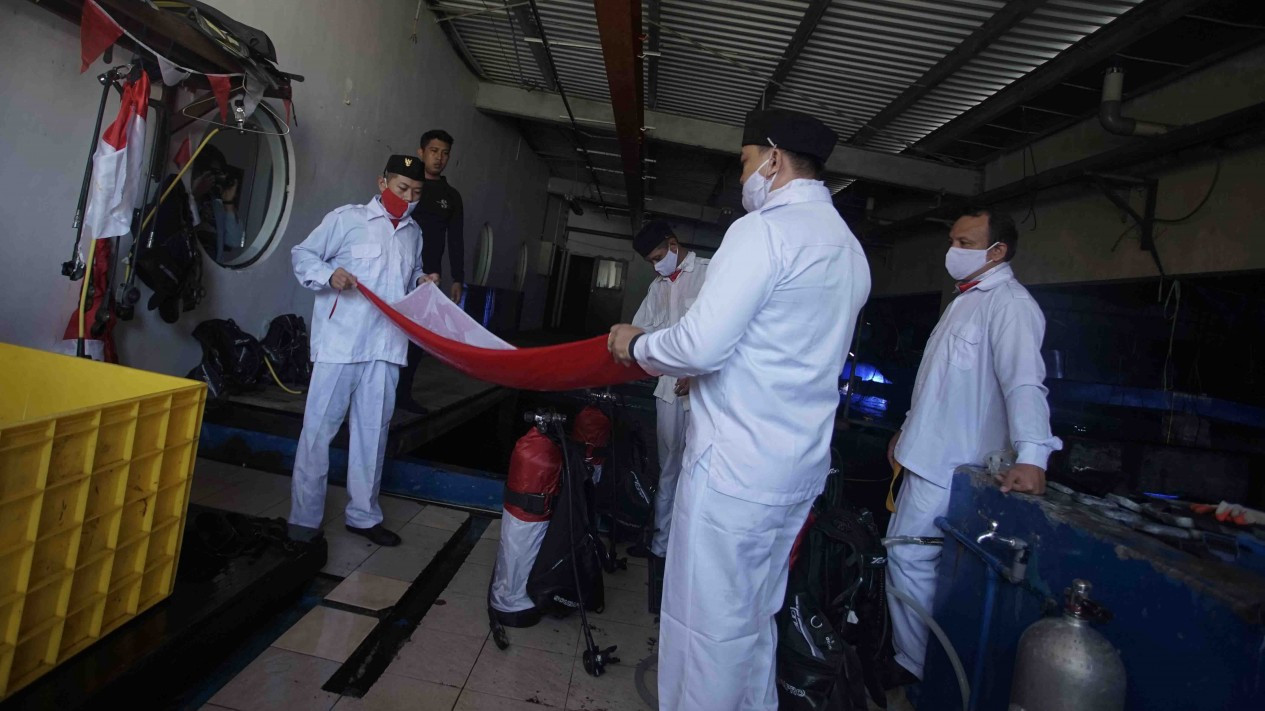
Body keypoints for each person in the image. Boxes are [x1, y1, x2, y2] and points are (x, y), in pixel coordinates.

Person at [608, 108, 871, 710]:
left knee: (707, 627)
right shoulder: (848, 249)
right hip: (794, 470)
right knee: (754, 617)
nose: (743, 176)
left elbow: (701, 342)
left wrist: (638, 344)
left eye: (746, 162)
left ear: (774, 159)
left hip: (733, 468)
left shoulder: (763, 233)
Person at [883, 210, 1062, 688]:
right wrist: (905, 430)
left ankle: (920, 669)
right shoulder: (964, 301)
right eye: (952, 239)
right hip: (928, 451)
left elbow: (1025, 382)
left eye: (964, 242)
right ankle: (917, 661)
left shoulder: (1011, 305)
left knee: (909, 557)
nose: (952, 250)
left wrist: (1032, 455)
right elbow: (936, 383)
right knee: (912, 557)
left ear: (997, 251)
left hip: (955, 463)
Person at [289, 155, 439, 547]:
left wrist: (424, 279)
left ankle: (363, 515)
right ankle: (304, 520)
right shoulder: (347, 219)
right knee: (318, 432)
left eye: (416, 193)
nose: (407, 198)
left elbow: (411, 275)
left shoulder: (413, 233)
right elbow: (302, 255)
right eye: (401, 188)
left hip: (386, 347)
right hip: (342, 342)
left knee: (373, 434)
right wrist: (328, 274)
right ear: (382, 183)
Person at [626, 221, 709, 588]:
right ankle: (661, 546)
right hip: (667, 392)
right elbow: (640, 329)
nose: (656, 266)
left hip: (704, 393)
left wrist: (697, 371)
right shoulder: (658, 286)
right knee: (668, 467)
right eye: (650, 262)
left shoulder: (710, 274)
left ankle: (690, 553)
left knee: (700, 470)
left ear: (673, 244)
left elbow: (725, 334)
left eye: (658, 257)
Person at [395, 129, 464, 414]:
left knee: (418, 336)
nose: (440, 157)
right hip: (397, 269)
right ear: (421, 152)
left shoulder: (451, 196)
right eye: (434, 151)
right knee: (389, 329)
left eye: (445, 153)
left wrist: (458, 277)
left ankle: (403, 394)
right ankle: (376, 389)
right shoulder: (407, 185)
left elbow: (456, 238)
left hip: (430, 276)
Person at [189, 146, 245, 262]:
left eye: (218, 173)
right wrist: (194, 196)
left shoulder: (218, 206)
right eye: (211, 172)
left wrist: (228, 203)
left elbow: (235, 241)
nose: (214, 177)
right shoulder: (181, 195)